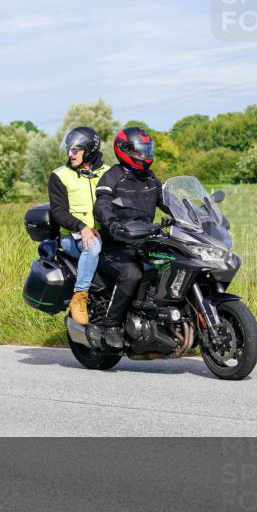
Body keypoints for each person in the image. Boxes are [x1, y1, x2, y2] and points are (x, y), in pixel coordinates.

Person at [92, 126, 168, 349]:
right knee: (132, 274)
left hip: (144, 240)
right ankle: (111, 325)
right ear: (124, 150)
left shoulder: (150, 178)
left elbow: (167, 201)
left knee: (171, 264)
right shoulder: (113, 176)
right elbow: (102, 205)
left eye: (147, 149)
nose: (145, 155)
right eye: (139, 150)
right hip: (116, 244)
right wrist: (113, 225)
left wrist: (196, 215)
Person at [48, 126, 110, 325]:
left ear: (90, 150)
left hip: (104, 234)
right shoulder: (60, 176)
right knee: (92, 246)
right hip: (73, 237)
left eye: (75, 150)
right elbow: (58, 212)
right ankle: (80, 297)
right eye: (68, 149)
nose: (70, 154)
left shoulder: (108, 173)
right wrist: (82, 226)